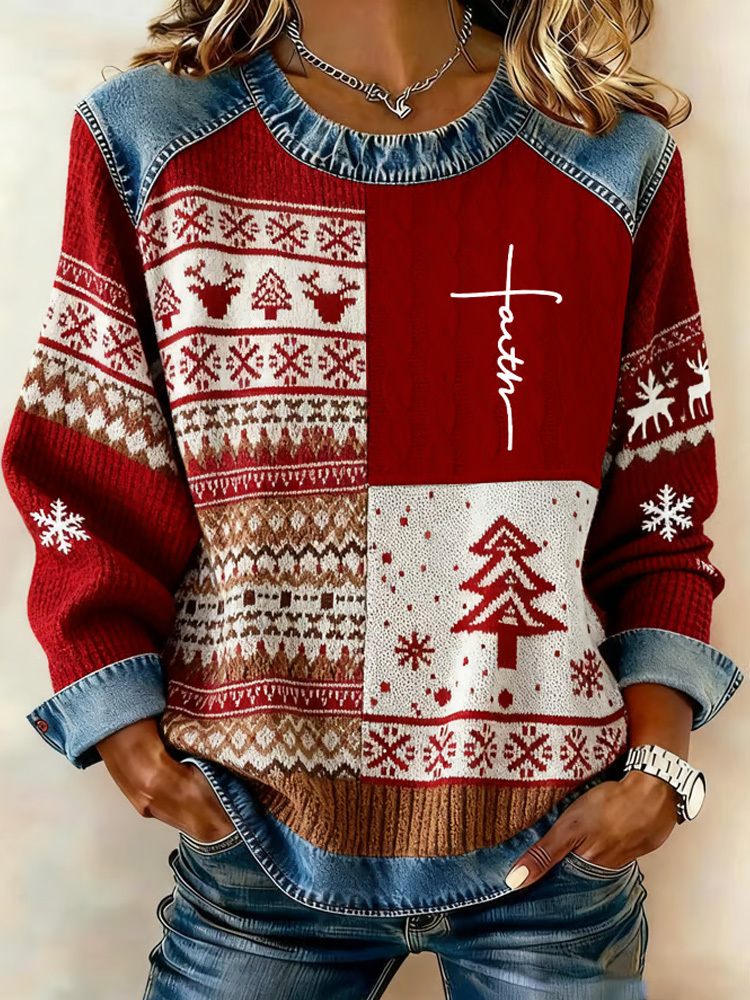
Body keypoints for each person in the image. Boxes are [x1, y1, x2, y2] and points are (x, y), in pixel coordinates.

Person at [2, 1, 743, 997]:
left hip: (557, 850)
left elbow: (659, 510)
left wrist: (661, 771)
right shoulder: (153, 139)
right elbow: (86, 469)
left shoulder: (609, 159)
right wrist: (120, 726)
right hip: (255, 836)